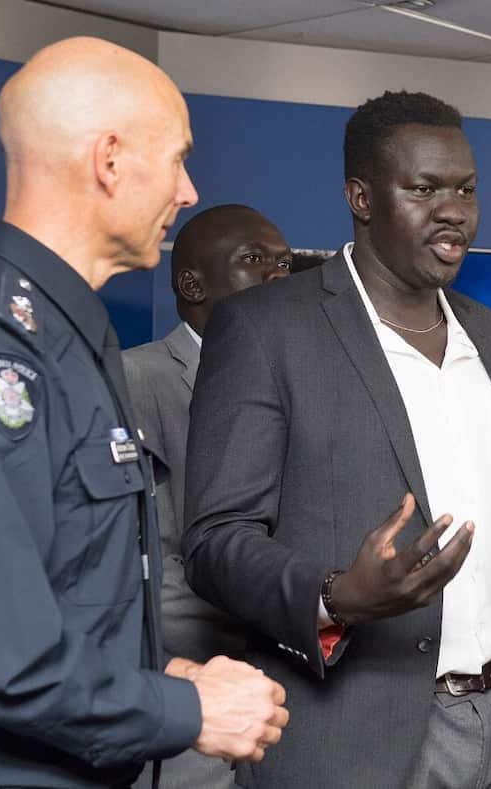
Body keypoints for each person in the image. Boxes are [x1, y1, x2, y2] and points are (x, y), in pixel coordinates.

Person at [0, 37, 288, 788]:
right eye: (177, 158)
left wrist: (159, 666)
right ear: (108, 159)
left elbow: (55, 590)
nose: (187, 191)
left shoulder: (68, 336)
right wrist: (186, 708)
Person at [183, 90, 491, 789]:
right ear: (361, 196)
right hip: (355, 738)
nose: (453, 210)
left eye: (466, 189)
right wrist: (337, 596)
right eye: (423, 188)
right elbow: (214, 540)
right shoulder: (266, 329)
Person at [125, 203, 292, 789]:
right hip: (190, 696)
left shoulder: (297, 381)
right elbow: (136, 558)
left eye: (284, 262)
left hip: (287, 693)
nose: (278, 274)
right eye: (254, 260)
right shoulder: (133, 379)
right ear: (191, 283)